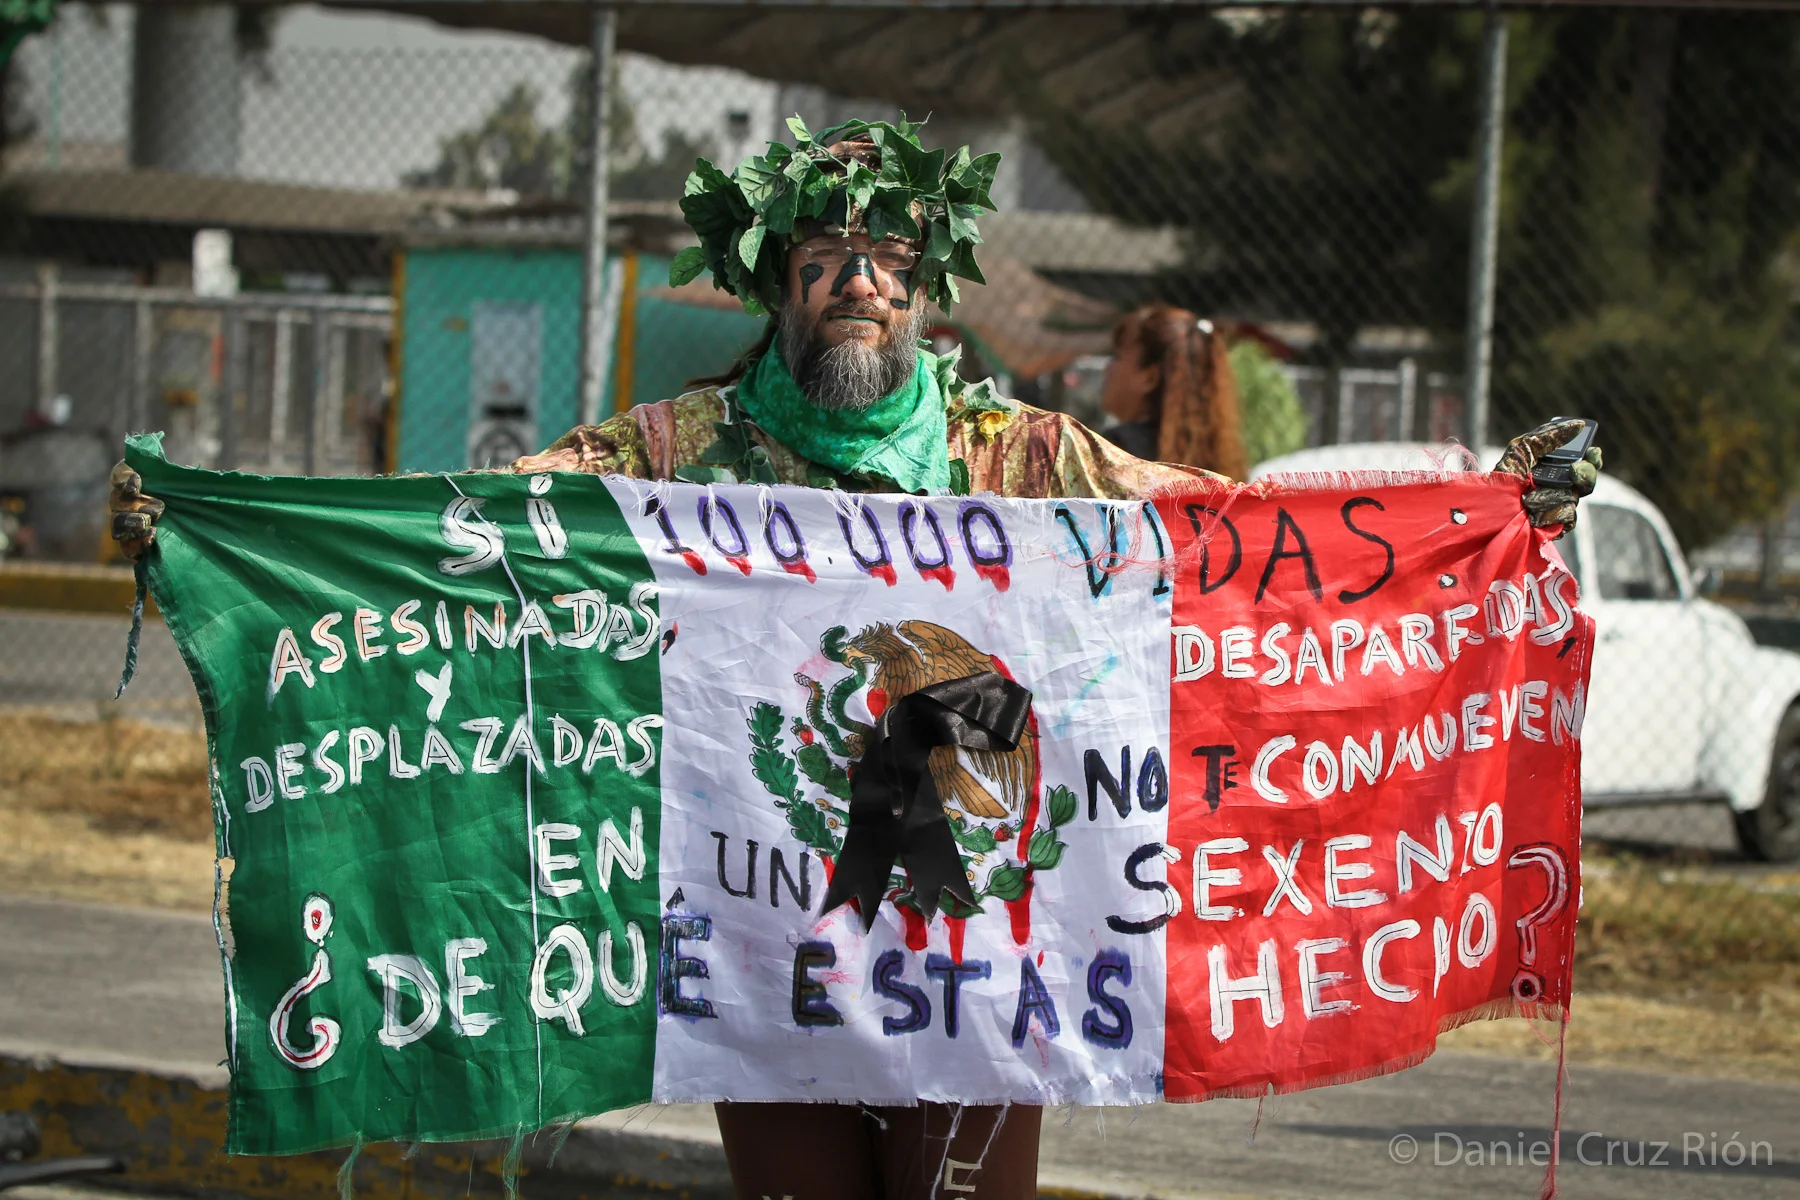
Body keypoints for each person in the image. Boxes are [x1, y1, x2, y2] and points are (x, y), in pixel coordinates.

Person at [107, 119, 1601, 1200]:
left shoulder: (1016, 454)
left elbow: (1228, 536)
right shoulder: (674, 455)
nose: (858, 283)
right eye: (824, 259)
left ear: (928, 292)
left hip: (991, 950)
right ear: (777, 287)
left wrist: (1483, 504)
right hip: (767, 946)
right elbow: (472, 536)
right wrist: (213, 529)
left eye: (886, 258)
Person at [1100, 305, 1249, 481]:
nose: (1107, 369)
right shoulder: (1223, 460)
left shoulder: (1117, 451)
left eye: (1117, 357)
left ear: (1149, 378)